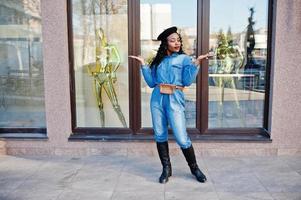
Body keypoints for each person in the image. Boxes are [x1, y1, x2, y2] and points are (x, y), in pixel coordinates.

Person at [129, 26, 210, 184]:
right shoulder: (158, 61)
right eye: (172, 40)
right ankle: (166, 169)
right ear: (165, 43)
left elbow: (187, 81)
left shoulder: (184, 59)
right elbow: (152, 83)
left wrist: (197, 63)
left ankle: (195, 169)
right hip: (157, 98)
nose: (177, 43)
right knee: (160, 134)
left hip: (175, 97)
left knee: (181, 137)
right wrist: (144, 65)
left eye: (178, 40)